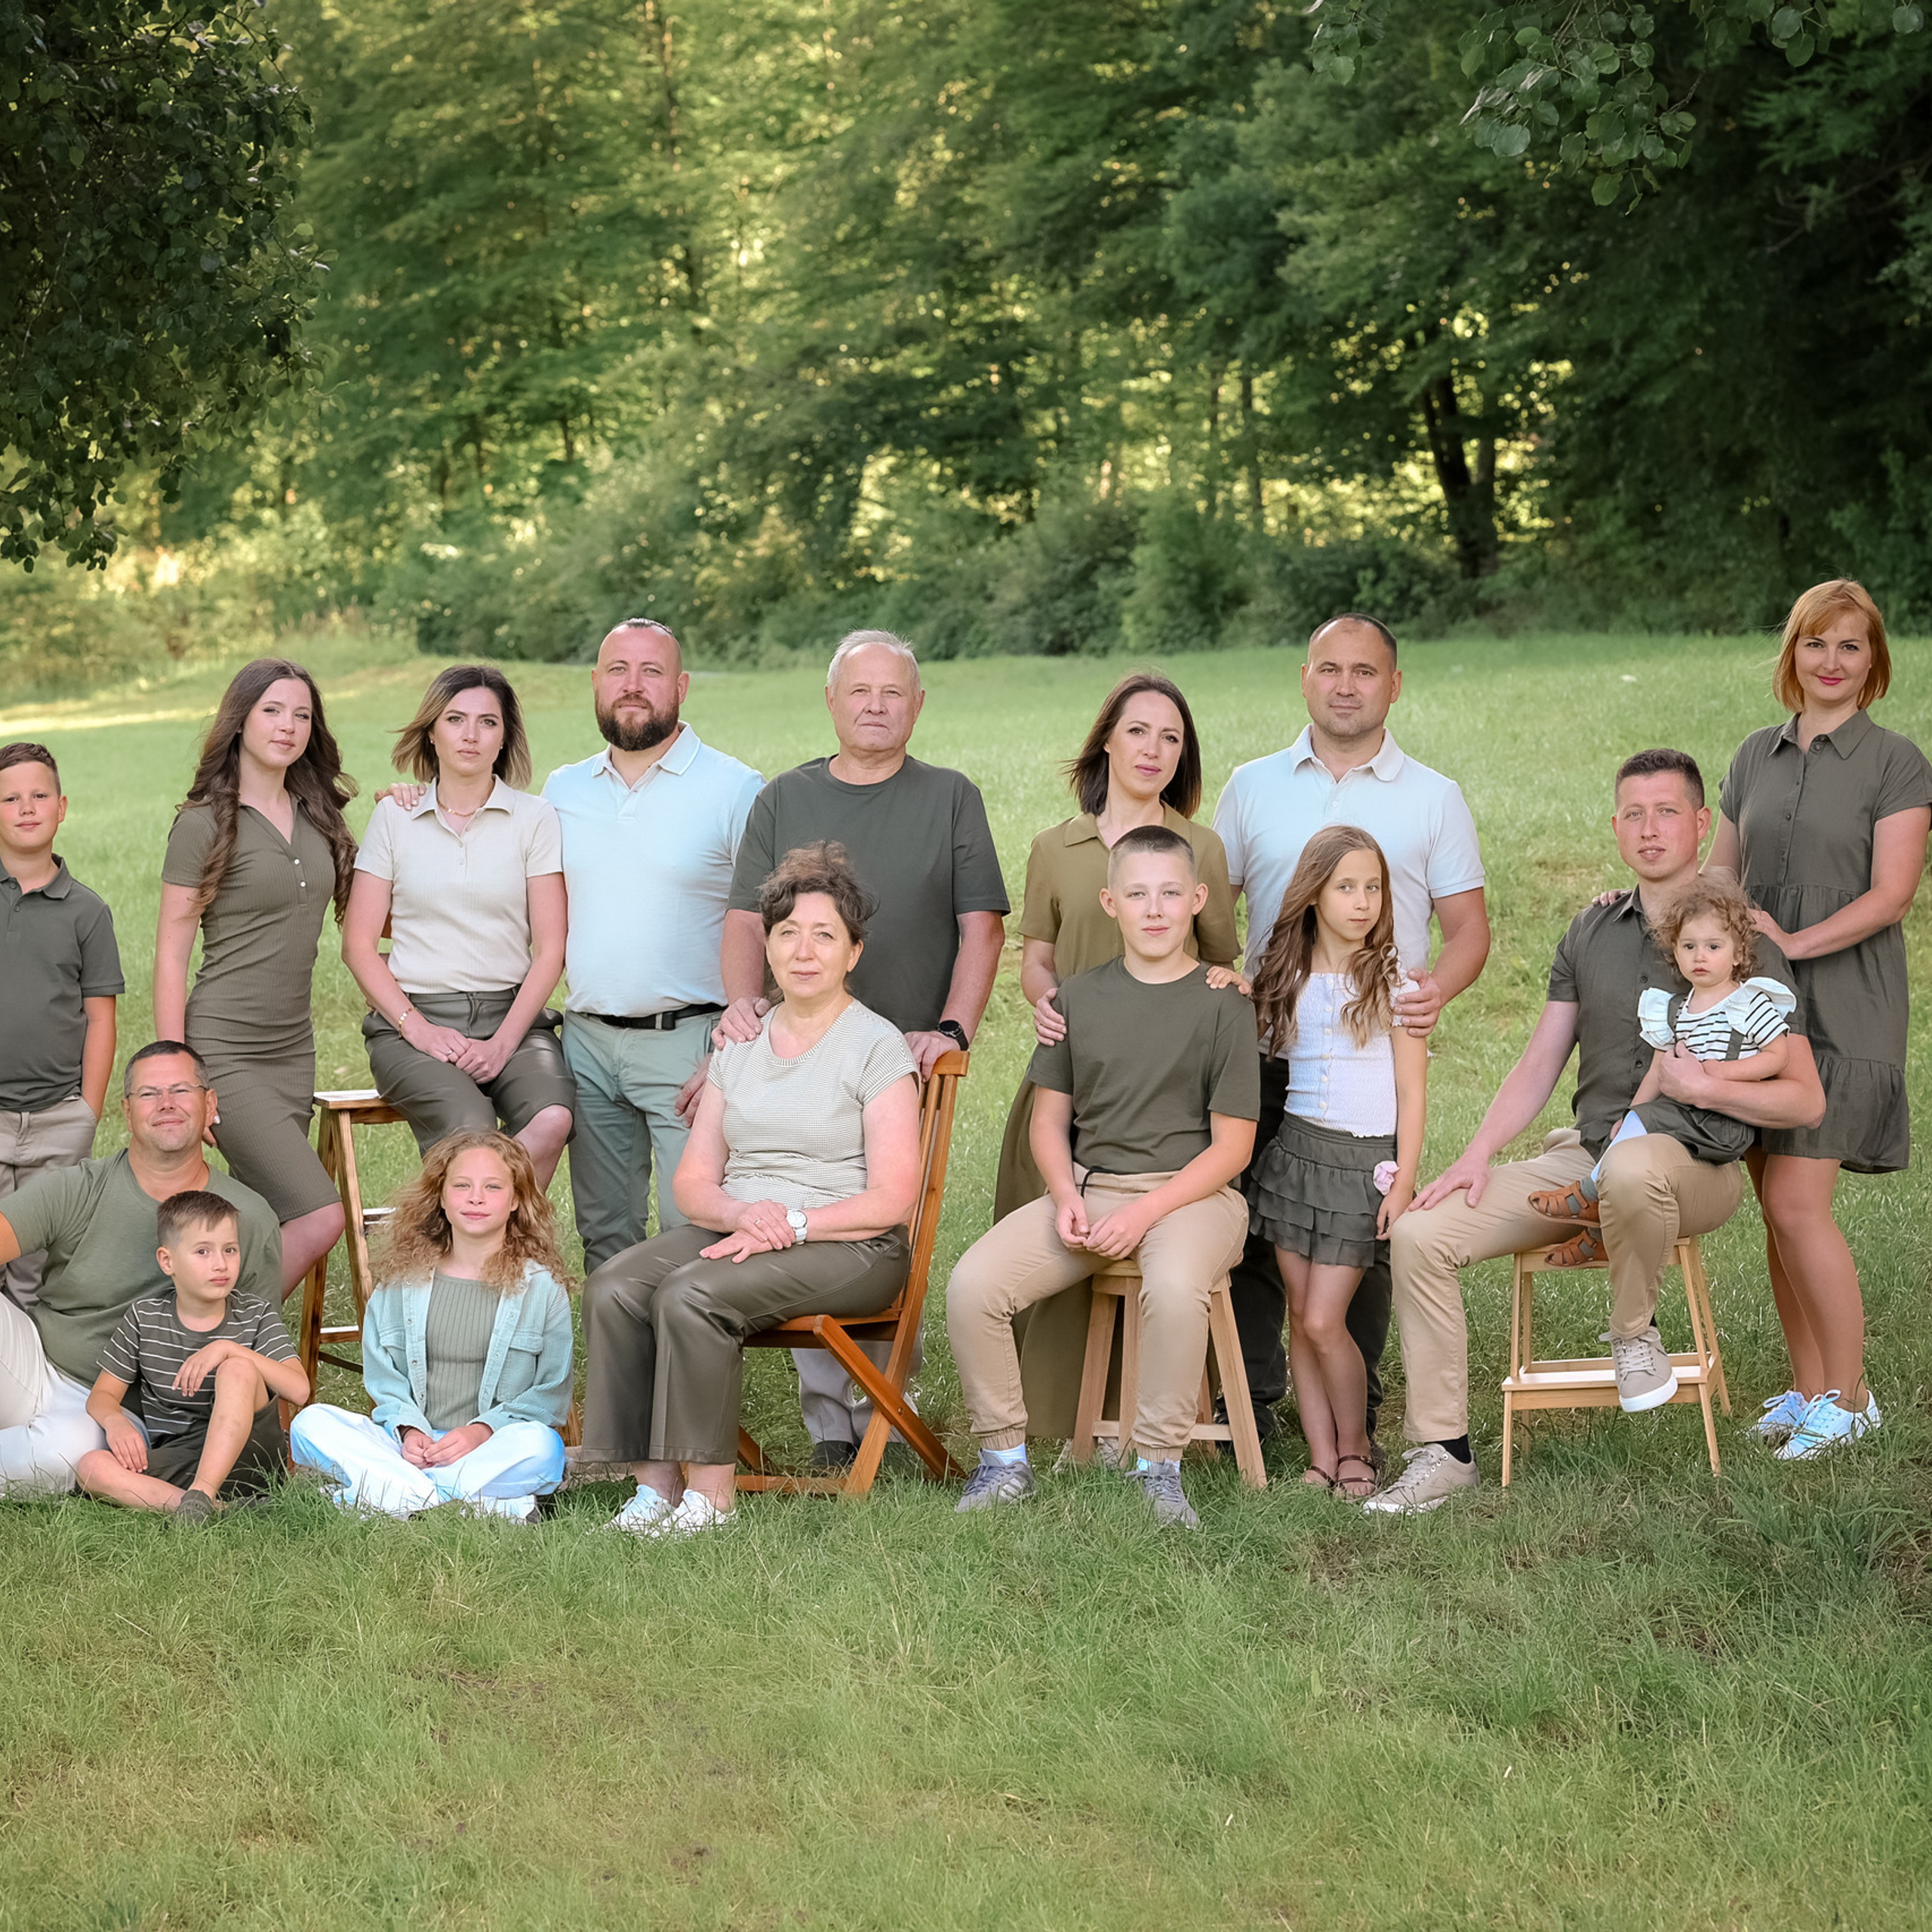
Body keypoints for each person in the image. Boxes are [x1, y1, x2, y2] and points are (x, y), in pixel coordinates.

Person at [1371, 749, 1826, 1515]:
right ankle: (1441, 1452)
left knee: (1632, 1167)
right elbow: (1539, 1061)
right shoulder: (1591, 928)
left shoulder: (1741, 939)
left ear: (1701, 824)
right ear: (1616, 827)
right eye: (1634, 814)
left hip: (1695, 1165)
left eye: (1668, 812)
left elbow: (1804, 1100)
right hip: (1589, 1159)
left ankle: (1633, 1335)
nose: (1650, 829)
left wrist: (1704, 1084)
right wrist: (1476, 1154)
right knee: (1422, 1235)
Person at [717, 630, 1008, 1467]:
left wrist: (950, 1030)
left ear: (917, 706)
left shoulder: (950, 796)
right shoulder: (783, 798)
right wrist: (743, 1007)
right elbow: (745, 919)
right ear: (832, 701)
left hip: (903, 1062)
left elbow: (980, 927)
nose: (876, 705)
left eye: (893, 692)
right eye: (861, 691)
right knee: (797, 1213)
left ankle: (888, 1395)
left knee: (881, 1227)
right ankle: (830, 1429)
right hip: (797, 1055)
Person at [580, 844, 922, 1537]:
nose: (804, 950)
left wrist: (791, 1222)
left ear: (854, 952)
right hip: (745, 1226)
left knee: (692, 1294)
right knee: (616, 1285)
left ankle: (711, 1501)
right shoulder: (739, 1043)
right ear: (766, 946)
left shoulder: (876, 1046)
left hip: (849, 1242)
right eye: (787, 932)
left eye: (824, 934)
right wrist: (746, 1212)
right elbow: (694, 1182)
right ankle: (654, 1490)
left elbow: (893, 1200)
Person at [1211, 614, 1489, 1450]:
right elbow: (1213, 913)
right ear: (1304, 677)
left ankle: (1354, 1412)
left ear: (1392, 685)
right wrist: (1231, 994)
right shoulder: (1251, 785)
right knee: (1264, 1229)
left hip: (1374, 1038)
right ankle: (1251, 1397)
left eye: (1363, 671)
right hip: (1268, 1039)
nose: (1344, 684)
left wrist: (1428, 992)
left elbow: (1468, 930)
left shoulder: (1431, 795)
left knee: (1354, 1248)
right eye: (1328, 668)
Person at [946, 826, 1259, 1531]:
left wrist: (1145, 1214)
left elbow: (1233, 1148)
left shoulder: (1223, 1003)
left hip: (1195, 1195)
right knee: (974, 1285)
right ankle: (1003, 1462)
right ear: (1110, 902)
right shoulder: (1077, 1000)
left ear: (1198, 901)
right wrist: (1064, 1196)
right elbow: (1049, 1124)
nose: (1155, 909)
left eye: (1171, 893)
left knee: (1176, 1290)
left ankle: (1158, 1471)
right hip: (1092, 1190)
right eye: (1139, 894)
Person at [1709, 579, 1932, 1460]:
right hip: (1758, 1005)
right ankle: (1810, 1393)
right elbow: (1720, 880)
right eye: (1815, 643)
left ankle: (1849, 1398)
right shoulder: (1751, 758)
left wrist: (1794, 937)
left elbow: (1892, 893)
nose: (1831, 661)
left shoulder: (1897, 762)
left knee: (1801, 1202)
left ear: (1872, 661)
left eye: (1851, 646)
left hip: (1849, 1002)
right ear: (1790, 654)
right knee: (1774, 1205)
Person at [997, 673, 1238, 1442]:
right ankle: (1046, 1423)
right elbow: (1035, 957)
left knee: (1162, 1256)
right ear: (1107, 738)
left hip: (1170, 1101)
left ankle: (1152, 1429)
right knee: (1057, 1245)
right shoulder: (1054, 849)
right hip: (1068, 1079)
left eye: (1171, 738)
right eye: (1138, 731)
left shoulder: (1199, 849)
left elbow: (1226, 963)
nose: (1153, 750)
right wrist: (1043, 996)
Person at [543, 620, 762, 1270]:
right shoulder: (562, 790)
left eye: (652, 672)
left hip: (690, 1043)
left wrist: (731, 1050)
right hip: (585, 1041)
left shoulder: (735, 789)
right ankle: (624, 1376)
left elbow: (771, 923)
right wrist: (411, 799)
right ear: (595, 683)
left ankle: (684, 1372)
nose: (632, 687)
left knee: (689, 1232)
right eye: (617, 670)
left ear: (683, 686)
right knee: (605, 1235)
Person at [155, 659, 357, 1297]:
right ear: (240, 719)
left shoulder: (320, 813)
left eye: (302, 715)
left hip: (292, 1049)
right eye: (272, 710)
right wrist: (179, 1075)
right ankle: (222, 1344)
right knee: (320, 1214)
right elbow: (170, 955)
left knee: (264, 1219)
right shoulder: (202, 824)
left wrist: (407, 803)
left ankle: (223, 1369)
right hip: (224, 1049)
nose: (288, 726)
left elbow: (376, 914)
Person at [0, 1041, 282, 1497]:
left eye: (181, 1090)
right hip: (32, 1362)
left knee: (54, 1459)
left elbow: (259, 1358)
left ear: (209, 1104)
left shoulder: (247, 1219)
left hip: (123, 1411)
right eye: (150, 1094)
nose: (166, 1104)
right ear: (127, 1111)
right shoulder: (81, 1188)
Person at [1244, 828, 1427, 1500]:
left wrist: (1403, 1177)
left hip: (1361, 1164)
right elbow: (1253, 1036)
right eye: (1346, 887)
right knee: (1301, 1315)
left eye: (1372, 887)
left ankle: (1357, 1448)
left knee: (1326, 1320)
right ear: (1314, 895)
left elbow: (1412, 1090)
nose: (1361, 902)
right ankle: (1320, 1456)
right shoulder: (1284, 976)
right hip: (1296, 1155)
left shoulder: (1393, 981)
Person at [343, 665, 575, 1185]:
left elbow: (551, 949)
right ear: (432, 731)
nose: (471, 734)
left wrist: (501, 1044)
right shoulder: (394, 818)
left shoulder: (534, 819)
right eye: (455, 719)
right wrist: (419, 1030)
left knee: (552, 1117)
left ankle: (499, 1256)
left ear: (504, 738)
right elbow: (358, 946)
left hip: (512, 1019)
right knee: (471, 1130)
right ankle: (485, 1257)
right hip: (413, 1023)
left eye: (487, 722)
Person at [289, 1131, 574, 1522]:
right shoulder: (400, 1282)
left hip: (492, 1448)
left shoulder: (542, 1289)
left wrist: (480, 1432)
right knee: (311, 1423)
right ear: (441, 1196)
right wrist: (409, 1431)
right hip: (412, 1449)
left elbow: (551, 1395)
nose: (476, 1197)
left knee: (543, 1447)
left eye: (493, 1187)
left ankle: (387, 1496)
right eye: (462, 1186)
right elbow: (384, 1379)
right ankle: (488, 1506)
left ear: (516, 1201)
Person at [1527, 875, 1795, 1268]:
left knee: (1647, 1126)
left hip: (1717, 1124)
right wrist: (1628, 1117)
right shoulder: (1680, 1008)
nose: (1700, 956)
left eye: (1713, 947)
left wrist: (1722, 1075)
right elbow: (1658, 1068)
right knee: (1638, 1136)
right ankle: (1598, 1236)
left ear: (1738, 954)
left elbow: (1777, 1056)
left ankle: (1587, 1192)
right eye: (1689, 947)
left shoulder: (1747, 1003)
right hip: (1681, 1117)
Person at [76, 1189, 308, 1518]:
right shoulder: (145, 1318)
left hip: (251, 1455)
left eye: (230, 1250)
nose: (221, 1264)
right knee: (91, 1466)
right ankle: (220, 1511)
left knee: (237, 1369)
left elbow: (299, 1389)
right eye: (203, 1251)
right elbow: (102, 1395)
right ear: (167, 1261)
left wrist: (228, 1349)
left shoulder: (255, 1314)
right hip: (183, 1456)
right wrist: (115, 1422)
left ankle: (200, 1496)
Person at [0, 742, 122, 1308]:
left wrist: (87, 1112)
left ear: (62, 806)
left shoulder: (86, 912)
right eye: (10, 798)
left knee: (35, 1273)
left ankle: (31, 1391)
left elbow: (100, 1017)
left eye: (39, 795)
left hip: (55, 1120)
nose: (26, 808)